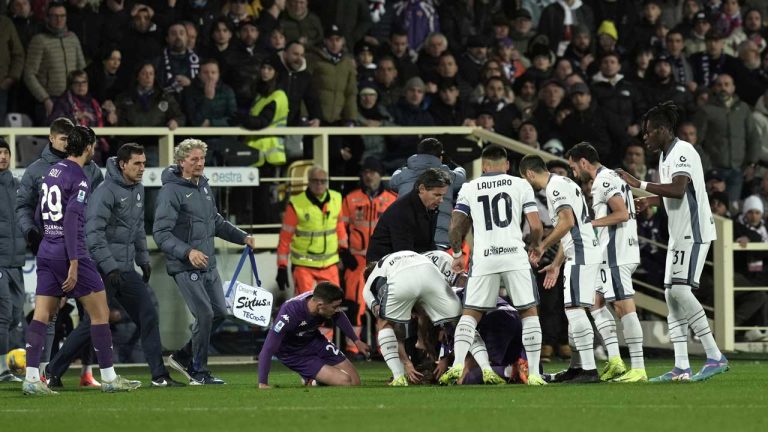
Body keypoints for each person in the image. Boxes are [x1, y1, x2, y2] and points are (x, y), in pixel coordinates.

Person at [22, 126, 141, 395]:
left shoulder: (53, 171)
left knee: (41, 314)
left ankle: (31, 378)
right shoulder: (80, 176)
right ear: (87, 147)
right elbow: (73, 218)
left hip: (47, 249)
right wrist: (74, 262)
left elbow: (40, 212)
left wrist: (46, 239)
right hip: (70, 253)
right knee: (100, 313)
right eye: (94, 146)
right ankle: (109, 378)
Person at [617, 101, 729, 382]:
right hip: (679, 233)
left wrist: (638, 184)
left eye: (650, 131)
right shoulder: (665, 155)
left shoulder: (683, 151)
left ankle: (715, 356)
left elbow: (679, 190)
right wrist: (652, 200)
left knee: (680, 292)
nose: (646, 137)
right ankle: (681, 366)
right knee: (671, 295)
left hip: (695, 231)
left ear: (664, 130)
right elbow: (676, 192)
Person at [153, 139, 258, 385]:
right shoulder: (170, 191)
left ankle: (182, 356)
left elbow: (216, 222)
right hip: (186, 265)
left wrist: (242, 237)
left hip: (207, 265)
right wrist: (188, 252)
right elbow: (161, 233)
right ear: (181, 162)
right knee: (205, 313)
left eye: (202, 159)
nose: (200, 163)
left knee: (220, 312)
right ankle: (198, 371)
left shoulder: (203, 186)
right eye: (194, 160)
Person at [440, 145, 546, 386]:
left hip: (485, 257)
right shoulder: (520, 185)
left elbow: (456, 226)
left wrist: (457, 254)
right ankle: (536, 375)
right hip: (514, 256)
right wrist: (536, 245)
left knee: (470, 315)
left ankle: (457, 365)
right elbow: (536, 226)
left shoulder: (470, 187)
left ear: (484, 166)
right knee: (529, 313)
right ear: (507, 165)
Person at [85, 143, 185, 387]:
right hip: (102, 268)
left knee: (148, 313)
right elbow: (93, 234)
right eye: (137, 164)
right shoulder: (105, 191)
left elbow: (138, 229)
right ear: (122, 164)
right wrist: (110, 267)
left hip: (125, 268)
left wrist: (143, 260)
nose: (142, 168)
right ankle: (54, 371)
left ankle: (159, 376)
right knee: (92, 325)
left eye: (144, 163)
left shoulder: (137, 189)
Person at [15, 117, 103, 376]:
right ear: (51, 138)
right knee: (51, 314)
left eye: (70, 139)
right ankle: (44, 371)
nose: (67, 144)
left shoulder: (91, 169)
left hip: (81, 248)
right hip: (54, 247)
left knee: (91, 312)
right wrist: (31, 232)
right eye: (63, 139)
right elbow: (23, 207)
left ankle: (85, 372)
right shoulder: (35, 171)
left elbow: (96, 208)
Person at [565, 142, 648, 382]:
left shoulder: (604, 179)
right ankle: (615, 361)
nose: (573, 173)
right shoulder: (610, 177)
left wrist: (591, 224)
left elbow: (621, 213)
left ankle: (639, 368)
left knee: (623, 307)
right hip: (611, 252)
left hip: (616, 253)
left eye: (573, 167)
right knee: (595, 301)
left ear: (583, 162)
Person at [520, 154, 602, 384]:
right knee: (572, 309)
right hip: (577, 251)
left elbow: (567, 222)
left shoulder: (554, 188)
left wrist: (541, 245)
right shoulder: (564, 183)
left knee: (575, 310)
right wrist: (555, 263)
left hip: (582, 252)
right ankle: (577, 367)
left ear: (529, 174)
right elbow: (568, 228)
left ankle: (588, 370)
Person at [363, 250, 462, 386]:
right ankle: (467, 365)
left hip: (409, 278)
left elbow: (392, 326)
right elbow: (423, 313)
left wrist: (406, 363)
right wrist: (423, 340)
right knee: (462, 320)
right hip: (431, 272)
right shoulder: (405, 258)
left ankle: (399, 376)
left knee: (384, 324)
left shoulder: (370, 287)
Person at [258, 282, 370, 387]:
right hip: (293, 353)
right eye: (334, 307)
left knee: (355, 382)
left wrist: (356, 341)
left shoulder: (320, 300)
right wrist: (262, 383)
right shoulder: (289, 313)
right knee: (345, 381)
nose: (337, 310)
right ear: (320, 305)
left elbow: (339, 316)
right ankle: (311, 379)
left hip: (314, 341)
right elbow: (268, 349)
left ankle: (314, 377)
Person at [341, 158, 397, 336]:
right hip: (356, 260)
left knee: (384, 303)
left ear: (380, 175)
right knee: (354, 303)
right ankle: (353, 348)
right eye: (365, 172)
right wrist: (343, 251)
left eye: (372, 172)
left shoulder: (391, 199)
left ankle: (384, 348)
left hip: (383, 261)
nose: (368, 176)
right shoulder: (350, 199)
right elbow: (340, 227)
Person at [275, 166, 347, 294]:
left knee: (332, 306)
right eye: (315, 180)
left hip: (329, 264)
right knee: (306, 307)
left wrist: (344, 251)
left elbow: (339, 228)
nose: (319, 184)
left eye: (323, 181)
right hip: (304, 265)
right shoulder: (297, 203)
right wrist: (282, 266)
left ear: (327, 182)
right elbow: (285, 238)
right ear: (309, 181)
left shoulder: (336, 199)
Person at [389, 138, 466, 249]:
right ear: (440, 157)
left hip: (407, 243)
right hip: (440, 244)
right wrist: (451, 162)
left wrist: (409, 163)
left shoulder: (403, 174)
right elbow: (462, 175)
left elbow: (393, 181)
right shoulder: (447, 174)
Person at [367, 168, 451, 262]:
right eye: (437, 195)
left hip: (404, 262)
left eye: (443, 195)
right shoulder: (402, 212)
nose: (441, 200)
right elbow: (404, 255)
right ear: (422, 189)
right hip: (382, 268)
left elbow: (429, 244)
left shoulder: (430, 207)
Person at [0, 139, 26, 383]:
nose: (3, 156)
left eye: (5, 152)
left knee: (17, 314)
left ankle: (5, 365)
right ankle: (2, 368)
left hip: (17, 262)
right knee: (3, 313)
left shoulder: (18, 186)